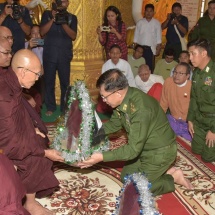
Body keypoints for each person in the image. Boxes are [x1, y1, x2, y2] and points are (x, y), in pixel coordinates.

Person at [78, 69, 193, 196]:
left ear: (118, 92)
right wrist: (93, 133)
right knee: (126, 178)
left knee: (136, 189)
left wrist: (101, 157)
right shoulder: (123, 100)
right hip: (142, 148)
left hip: (161, 151)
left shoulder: (140, 109)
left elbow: (132, 150)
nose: (103, 100)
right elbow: (114, 124)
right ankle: (163, 171)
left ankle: (172, 178)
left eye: (105, 97)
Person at [0, 49, 64, 215]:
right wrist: (44, 153)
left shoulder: (10, 81)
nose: (37, 78)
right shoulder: (5, 97)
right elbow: (10, 144)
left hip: (9, 137)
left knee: (40, 138)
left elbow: (18, 118)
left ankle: (30, 201)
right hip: (3, 147)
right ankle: (29, 203)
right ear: (22, 71)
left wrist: (32, 128)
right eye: (36, 74)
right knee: (37, 158)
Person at [40, 0, 77, 116]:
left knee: (65, 83)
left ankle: (64, 108)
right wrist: (53, 18)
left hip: (64, 55)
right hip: (49, 54)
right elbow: (42, 32)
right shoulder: (47, 15)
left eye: (64, 1)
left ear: (68, 3)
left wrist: (63, 22)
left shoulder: (72, 18)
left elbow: (73, 36)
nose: (62, 3)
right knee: (49, 82)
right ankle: (50, 107)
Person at [187, 38, 215, 162]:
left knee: (207, 158)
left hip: (212, 121)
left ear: (203, 53)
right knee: (196, 150)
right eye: (189, 54)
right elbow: (193, 99)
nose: (190, 58)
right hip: (200, 119)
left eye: (193, 53)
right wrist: (190, 120)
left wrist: (213, 131)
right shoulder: (197, 73)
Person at [160, 62, 192, 141]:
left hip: (188, 122)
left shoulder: (192, 87)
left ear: (187, 76)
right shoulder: (168, 82)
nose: (176, 75)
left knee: (197, 137)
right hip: (173, 119)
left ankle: (180, 132)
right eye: (175, 72)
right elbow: (163, 103)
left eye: (180, 73)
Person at [133, 3, 162, 72]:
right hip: (140, 49)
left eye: (150, 11)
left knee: (149, 68)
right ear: (144, 12)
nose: (149, 13)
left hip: (151, 49)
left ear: (153, 12)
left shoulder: (157, 23)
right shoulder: (140, 22)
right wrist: (135, 48)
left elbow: (158, 38)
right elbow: (136, 36)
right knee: (139, 67)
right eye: (147, 11)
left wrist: (158, 49)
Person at [24, 24, 44, 114]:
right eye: (33, 33)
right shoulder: (26, 45)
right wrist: (29, 47)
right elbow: (25, 58)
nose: (36, 36)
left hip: (42, 76)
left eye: (38, 33)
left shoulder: (46, 45)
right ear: (29, 35)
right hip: (30, 74)